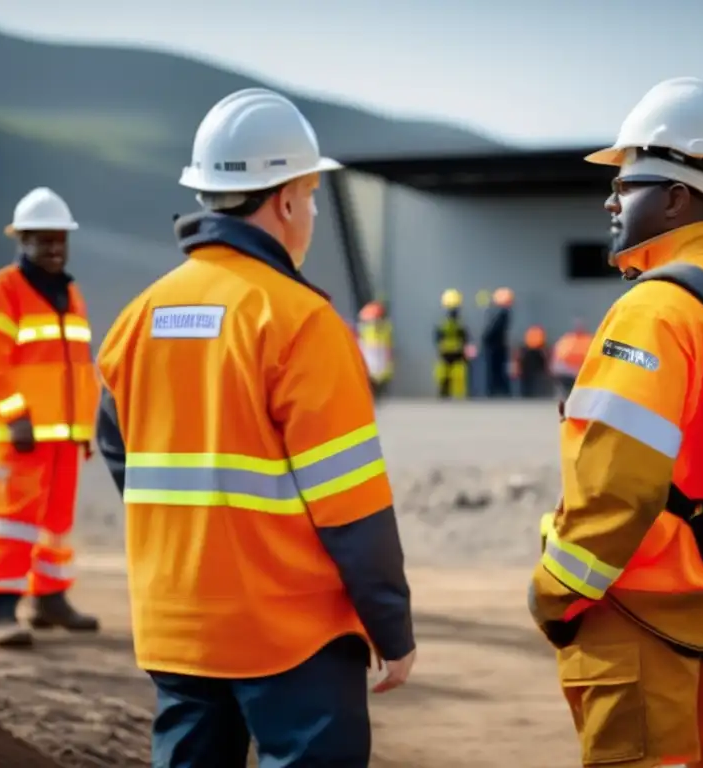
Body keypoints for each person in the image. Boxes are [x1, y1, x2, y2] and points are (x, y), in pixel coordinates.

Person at [94, 88, 416, 767]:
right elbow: (351, 504)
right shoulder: (298, 321)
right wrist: (391, 625)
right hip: (290, 632)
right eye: (312, 197)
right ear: (289, 198)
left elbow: (122, 452)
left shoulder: (139, 317)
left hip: (176, 624)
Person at [528, 77, 703, 767]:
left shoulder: (654, 310)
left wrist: (556, 590)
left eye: (627, 183)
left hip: (638, 606)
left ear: (674, 197)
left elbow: (620, 487)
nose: (611, 199)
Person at [0, 186, 100, 648]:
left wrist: (84, 424)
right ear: (21, 240)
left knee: (56, 521)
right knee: (14, 517)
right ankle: (0, 606)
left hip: (65, 432)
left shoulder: (71, 292)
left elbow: (78, 364)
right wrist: (15, 417)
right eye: (43, 240)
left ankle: (50, 597)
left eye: (59, 240)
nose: (53, 249)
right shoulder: (0, 291)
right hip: (23, 432)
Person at [435, 289, 470, 399]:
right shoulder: (457, 323)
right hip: (451, 353)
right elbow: (465, 337)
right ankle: (450, 395)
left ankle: (450, 395)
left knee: (453, 376)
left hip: (449, 353)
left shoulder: (445, 322)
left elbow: (437, 338)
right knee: (447, 376)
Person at [357, 299, 393, 399]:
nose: (374, 323)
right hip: (372, 364)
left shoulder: (384, 329)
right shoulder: (366, 330)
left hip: (377, 364)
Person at [482, 287, 514, 397]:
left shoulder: (501, 315)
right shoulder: (503, 314)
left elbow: (492, 331)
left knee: (495, 370)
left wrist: (485, 338)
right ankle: (501, 391)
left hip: (495, 347)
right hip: (498, 346)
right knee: (499, 370)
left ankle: (496, 391)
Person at [550, 320, 592, 399]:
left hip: (583, 371)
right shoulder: (566, 339)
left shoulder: (589, 339)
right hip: (567, 372)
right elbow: (558, 355)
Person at [516, 324, 549, 398]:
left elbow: (519, 360)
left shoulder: (524, 350)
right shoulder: (540, 350)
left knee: (530, 387)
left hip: (532, 372)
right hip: (530, 372)